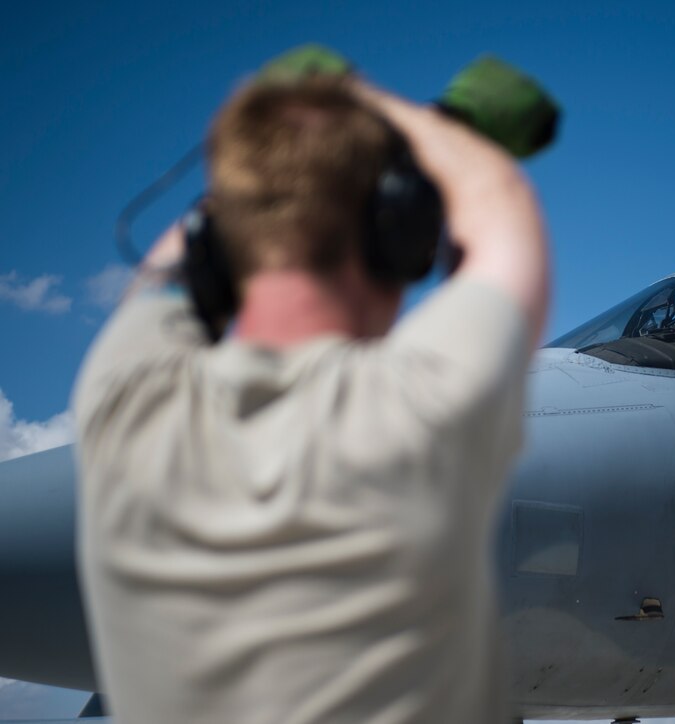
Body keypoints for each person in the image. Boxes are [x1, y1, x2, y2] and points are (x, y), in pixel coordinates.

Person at [72, 61, 549, 724]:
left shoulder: (118, 399)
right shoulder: (430, 408)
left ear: (227, 234)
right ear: (402, 232)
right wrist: (391, 106)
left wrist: (272, 151)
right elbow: (497, 200)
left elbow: (175, 266)